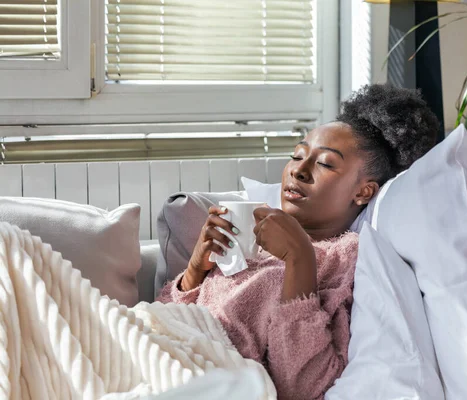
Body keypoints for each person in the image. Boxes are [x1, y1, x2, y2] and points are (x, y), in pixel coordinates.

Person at [157, 84, 439, 400]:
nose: (299, 171)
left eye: (325, 163)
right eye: (297, 155)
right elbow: (164, 323)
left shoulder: (348, 258)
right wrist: (195, 270)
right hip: (162, 360)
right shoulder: (248, 236)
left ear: (363, 192)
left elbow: (303, 386)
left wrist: (299, 258)